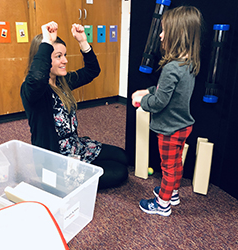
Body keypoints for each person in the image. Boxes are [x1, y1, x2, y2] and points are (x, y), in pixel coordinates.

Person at [21, 21, 128, 189]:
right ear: (43, 58)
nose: (65, 60)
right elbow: (37, 77)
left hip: (76, 146)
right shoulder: (33, 91)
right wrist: (47, 42)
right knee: (119, 172)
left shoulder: (62, 81)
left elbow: (92, 71)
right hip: (56, 161)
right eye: (58, 56)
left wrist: (82, 41)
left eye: (65, 55)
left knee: (122, 157)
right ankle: (71, 181)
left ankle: (85, 168)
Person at [132, 6, 203, 216]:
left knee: (168, 167)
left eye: (164, 31)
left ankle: (162, 204)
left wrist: (142, 101)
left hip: (169, 128)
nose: (160, 35)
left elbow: (160, 102)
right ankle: (173, 193)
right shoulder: (188, 62)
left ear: (178, 34)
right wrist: (148, 90)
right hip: (183, 126)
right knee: (176, 163)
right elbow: (171, 92)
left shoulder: (171, 67)